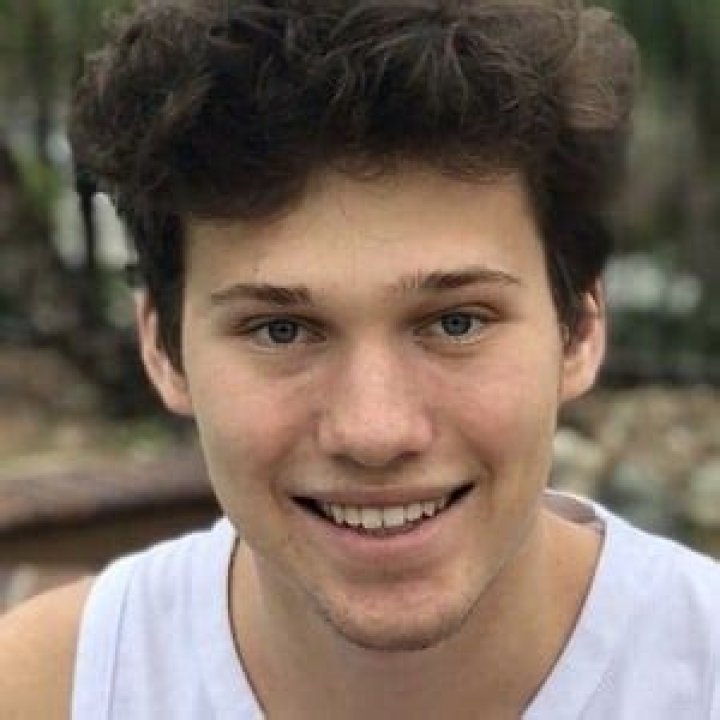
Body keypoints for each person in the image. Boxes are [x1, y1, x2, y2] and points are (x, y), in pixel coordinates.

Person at [1, 1, 718, 717]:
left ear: (579, 331)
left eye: (457, 322)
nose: (375, 432)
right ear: (164, 349)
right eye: (281, 331)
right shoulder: (49, 691)